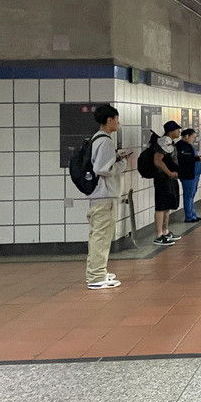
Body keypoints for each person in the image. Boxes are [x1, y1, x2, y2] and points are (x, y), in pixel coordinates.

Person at [85, 104, 132, 289]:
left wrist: (117, 158)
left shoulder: (97, 139)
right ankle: (96, 277)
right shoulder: (105, 141)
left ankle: (98, 271)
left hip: (99, 195)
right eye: (117, 119)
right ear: (109, 120)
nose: (118, 123)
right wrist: (122, 164)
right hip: (105, 195)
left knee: (98, 234)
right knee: (101, 236)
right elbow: (103, 169)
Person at [152, 120, 183, 245]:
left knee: (167, 206)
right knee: (161, 206)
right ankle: (159, 235)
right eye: (177, 130)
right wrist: (169, 173)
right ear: (170, 131)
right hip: (162, 178)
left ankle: (165, 231)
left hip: (169, 179)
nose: (179, 132)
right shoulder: (163, 142)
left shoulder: (169, 142)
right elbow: (157, 161)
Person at [176, 128, 201, 222]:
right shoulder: (180, 146)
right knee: (188, 196)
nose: (193, 139)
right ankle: (189, 216)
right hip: (188, 174)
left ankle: (193, 214)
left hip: (195, 173)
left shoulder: (188, 145)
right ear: (187, 136)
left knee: (192, 194)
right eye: (192, 137)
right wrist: (196, 159)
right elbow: (185, 160)